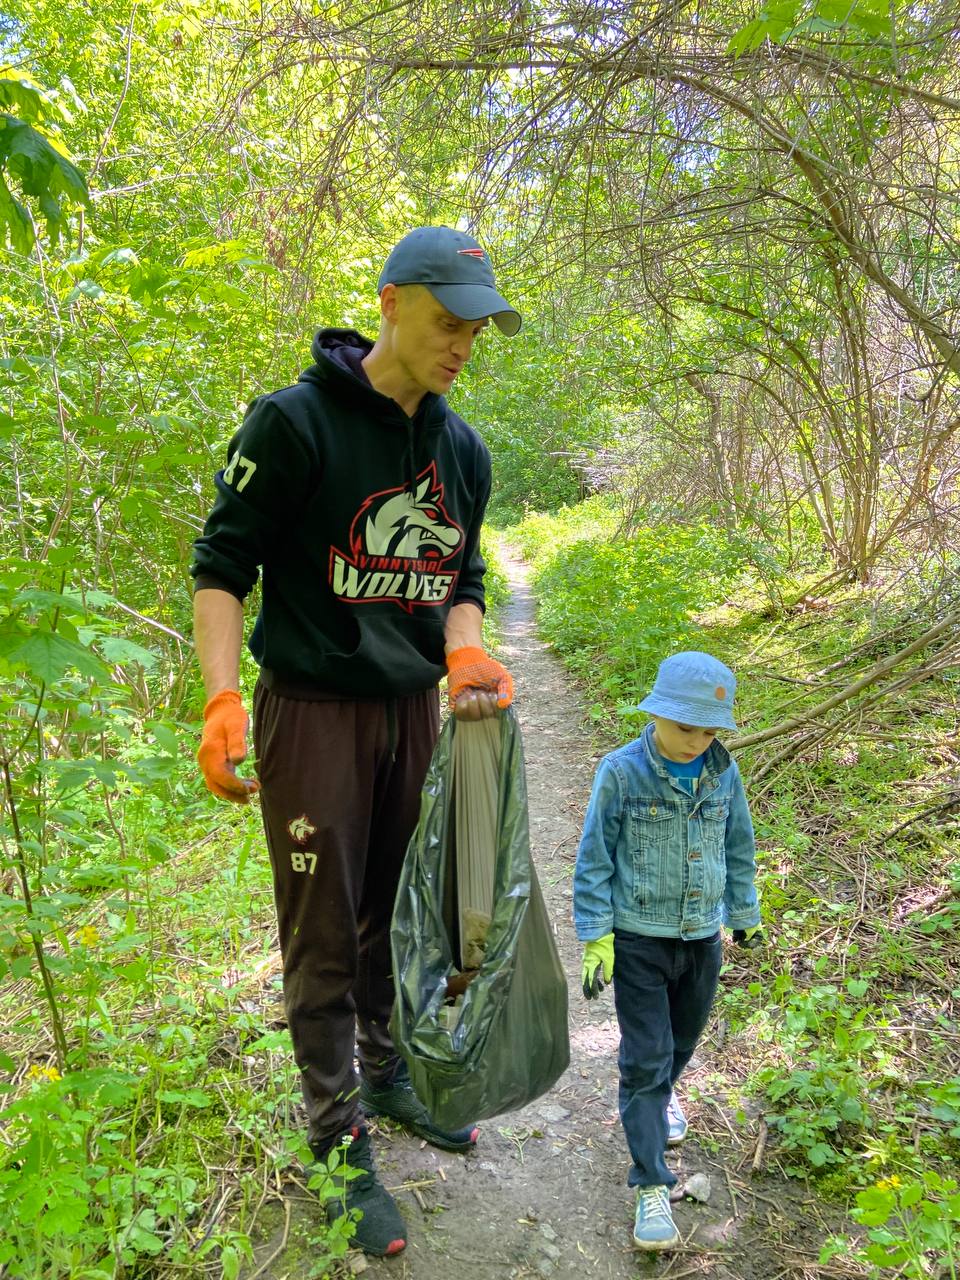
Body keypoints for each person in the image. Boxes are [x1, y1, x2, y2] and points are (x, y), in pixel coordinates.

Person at [190, 226, 520, 1257]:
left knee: (396, 911)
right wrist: (221, 699)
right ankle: (336, 1137)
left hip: (410, 711)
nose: (461, 344)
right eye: (447, 321)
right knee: (324, 929)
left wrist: (464, 651)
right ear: (390, 302)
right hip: (314, 711)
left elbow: (461, 580)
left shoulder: (463, 452)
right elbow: (222, 565)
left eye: (475, 330)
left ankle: (386, 1072)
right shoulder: (293, 424)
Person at [573, 651, 763, 1251]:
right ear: (655, 713)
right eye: (685, 727)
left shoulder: (723, 773)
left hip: (702, 939)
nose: (696, 742)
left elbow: (738, 845)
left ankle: (662, 1095)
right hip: (638, 942)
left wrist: (743, 913)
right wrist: (596, 935)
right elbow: (594, 857)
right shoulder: (621, 772)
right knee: (645, 1059)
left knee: (680, 1044)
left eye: (709, 731)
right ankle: (651, 1182)